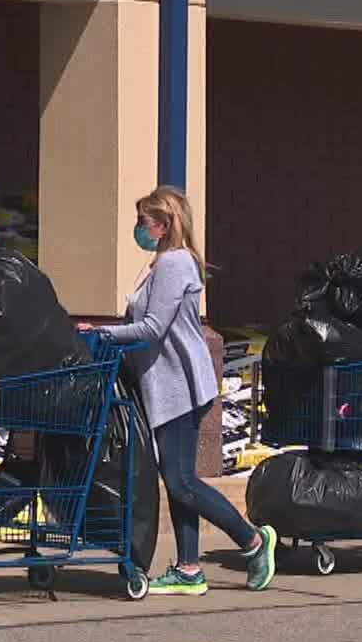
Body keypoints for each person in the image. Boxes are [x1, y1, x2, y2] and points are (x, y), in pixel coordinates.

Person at [89, 187, 275, 595]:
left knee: (180, 481)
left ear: (163, 224)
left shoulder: (174, 263)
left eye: (143, 221)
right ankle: (190, 568)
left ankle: (253, 540)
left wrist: (102, 333)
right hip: (166, 385)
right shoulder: (162, 264)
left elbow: (154, 327)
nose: (138, 229)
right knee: (179, 479)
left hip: (179, 386)